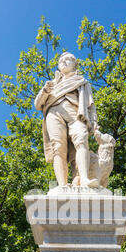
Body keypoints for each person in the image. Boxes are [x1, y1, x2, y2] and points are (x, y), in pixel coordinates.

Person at [34, 52, 99, 187]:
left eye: (68, 59)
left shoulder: (81, 82)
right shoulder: (52, 84)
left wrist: (94, 121)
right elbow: (37, 105)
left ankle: (84, 179)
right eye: (61, 60)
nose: (63, 62)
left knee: (82, 139)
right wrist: (45, 90)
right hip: (53, 114)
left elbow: (90, 105)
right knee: (58, 147)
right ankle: (62, 184)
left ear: (74, 64)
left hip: (75, 113)